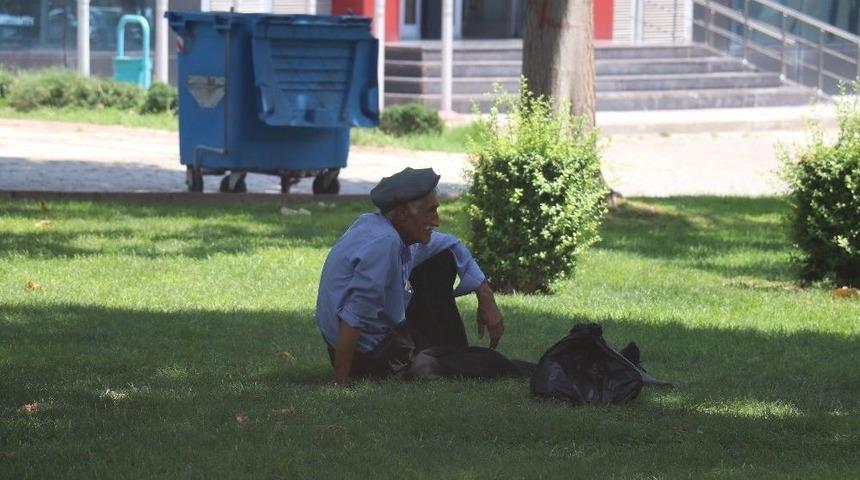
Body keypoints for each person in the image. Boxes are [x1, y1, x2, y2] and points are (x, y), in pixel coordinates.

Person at [315, 167, 505, 385]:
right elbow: (354, 317)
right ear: (403, 214)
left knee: (442, 256)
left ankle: (450, 350)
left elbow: (452, 244)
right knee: (472, 363)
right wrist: (341, 380)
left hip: (386, 336)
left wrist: (485, 295)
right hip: (369, 354)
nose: (437, 221)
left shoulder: (388, 228)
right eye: (429, 212)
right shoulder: (384, 244)